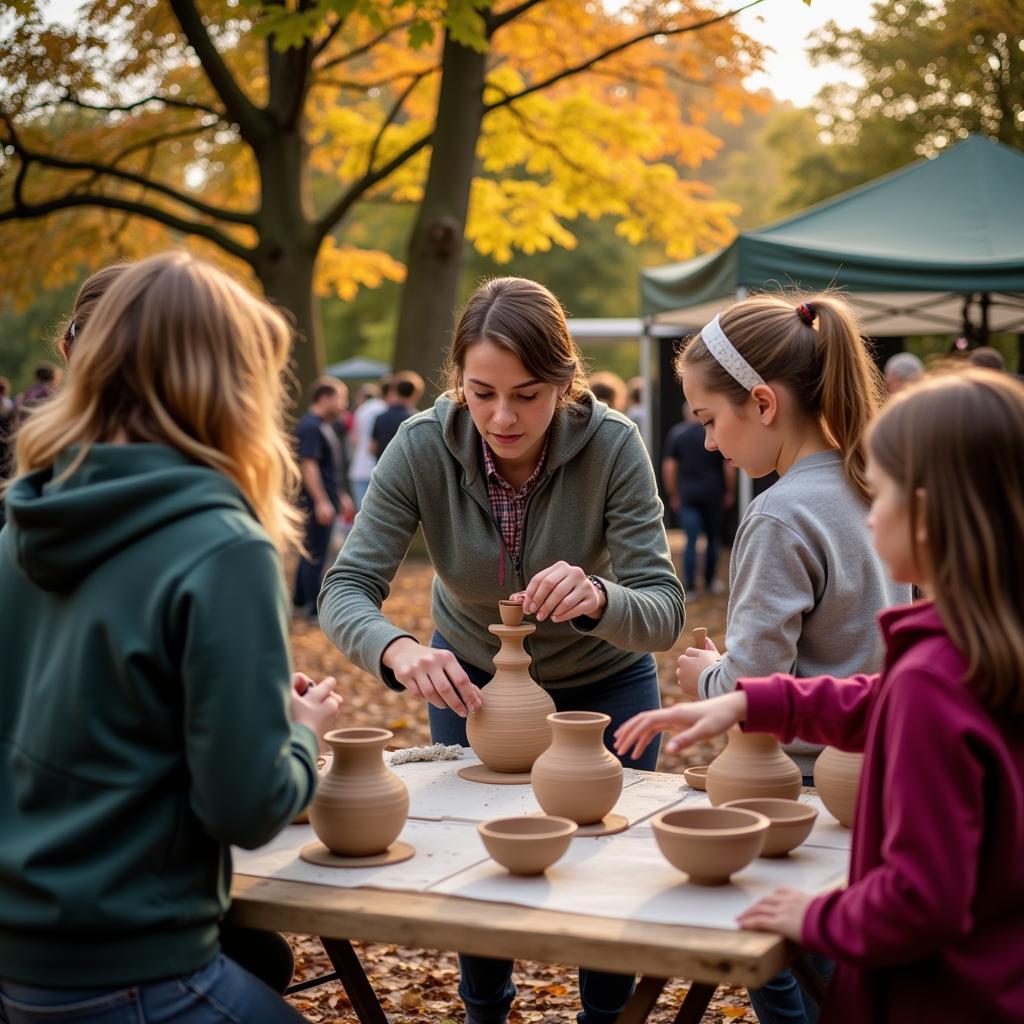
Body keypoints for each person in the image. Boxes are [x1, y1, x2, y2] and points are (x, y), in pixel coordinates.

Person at [319, 276, 684, 1024]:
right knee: (478, 871)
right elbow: (344, 586)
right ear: (458, 380)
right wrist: (397, 651)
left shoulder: (614, 444)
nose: (502, 416)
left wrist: (600, 599)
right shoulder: (421, 444)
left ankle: (606, 1015)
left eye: (528, 394)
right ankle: (485, 1008)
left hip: (605, 687)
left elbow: (665, 610)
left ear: (564, 381)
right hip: (473, 688)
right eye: (481, 392)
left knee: (600, 878)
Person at [616, 367, 1024, 1024]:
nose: (866, 507)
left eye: (880, 492)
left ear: (928, 515)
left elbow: (921, 901)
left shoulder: (932, 678)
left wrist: (816, 914)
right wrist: (752, 702)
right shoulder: (983, 648)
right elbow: (877, 699)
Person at [0, 252, 342, 1022]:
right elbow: (247, 807)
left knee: (266, 961)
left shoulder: (22, 522)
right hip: (128, 958)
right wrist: (297, 735)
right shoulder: (223, 545)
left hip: (21, 949)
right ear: (231, 382)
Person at [671, 294, 912, 1024]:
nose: (709, 445)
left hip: (800, 792)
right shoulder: (869, 482)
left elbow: (751, 684)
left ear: (763, 402)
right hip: (881, 780)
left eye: (711, 421)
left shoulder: (778, 513)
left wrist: (703, 679)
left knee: (772, 949)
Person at [292, 376, 352, 622]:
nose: (343, 405)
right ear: (324, 398)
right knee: (316, 555)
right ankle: (313, 608)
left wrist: (340, 495)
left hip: (326, 499)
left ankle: (298, 601)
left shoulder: (323, 426)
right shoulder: (311, 427)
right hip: (314, 503)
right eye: (340, 398)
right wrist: (320, 501)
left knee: (311, 552)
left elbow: (327, 468)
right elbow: (309, 465)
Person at [661, 401, 734, 595]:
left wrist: (673, 494)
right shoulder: (714, 434)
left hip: (688, 495)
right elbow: (728, 466)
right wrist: (729, 491)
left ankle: (690, 587)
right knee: (712, 539)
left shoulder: (677, 434)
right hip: (713, 493)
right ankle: (710, 581)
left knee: (691, 540)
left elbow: (669, 467)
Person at [349, 381, 386, 510]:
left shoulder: (360, 411)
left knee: (362, 512)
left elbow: (354, 439)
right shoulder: (384, 407)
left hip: (360, 468)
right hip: (381, 467)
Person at [370, 369, 424, 457]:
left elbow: (372, 449)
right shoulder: (418, 419)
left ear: (395, 391)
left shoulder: (380, 417)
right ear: (415, 393)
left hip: (381, 467)